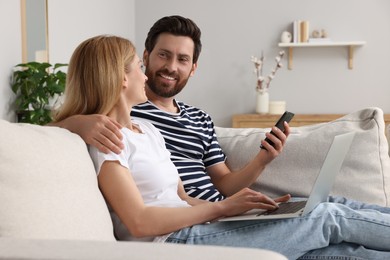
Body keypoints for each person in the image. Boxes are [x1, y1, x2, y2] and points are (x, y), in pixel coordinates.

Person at [52, 18, 390, 259]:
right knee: (327, 217)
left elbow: (185, 196)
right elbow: (139, 221)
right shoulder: (107, 136)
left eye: (182, 59)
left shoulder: (151, 131)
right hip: (173, 242)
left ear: (193, 67)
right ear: (121, 78)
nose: (154, 70)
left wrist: (234, 207)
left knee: (343, 247)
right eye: (144, 63)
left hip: (207, 220)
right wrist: (78, 123)